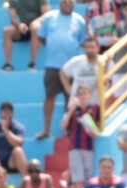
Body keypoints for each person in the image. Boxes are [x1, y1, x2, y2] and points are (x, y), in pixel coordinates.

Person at [35, 0, 87, 139]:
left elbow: (82, 41)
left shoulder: (79, 20)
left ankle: (69, 130)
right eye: (65, 2)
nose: (68, 4)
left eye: (70, 3)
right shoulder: (49, 17)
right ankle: (46, 129)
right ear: (59, 3)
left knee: (70, 98)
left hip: (72, 68)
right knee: (49, 97)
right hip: (52, 65)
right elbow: (41, 37)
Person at [2, 0, 48, 71]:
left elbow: (46, 14)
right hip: (22, 28)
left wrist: (36, 22)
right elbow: (13, 18)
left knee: (35, 28)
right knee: (7, 31)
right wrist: (19, 24)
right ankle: (8, 65)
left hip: (38, 27)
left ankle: (32, 64)